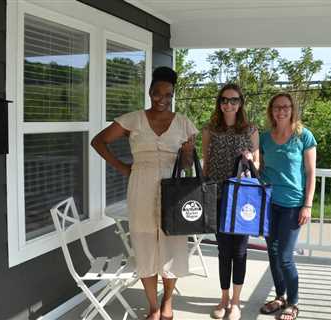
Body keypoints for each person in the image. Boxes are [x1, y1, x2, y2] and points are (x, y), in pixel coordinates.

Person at [91, 66, 197, 320]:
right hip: (141, 185)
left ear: (173, 95)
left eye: (168, 94)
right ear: (150, 92)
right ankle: (153, 306)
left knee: (171, 243)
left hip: (173, 190)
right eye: (157, 93)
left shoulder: (183, 123)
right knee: (145, 243)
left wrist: (186, 153)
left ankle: (168, 301)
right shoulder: (133, 119)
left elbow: (187, 166)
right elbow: (98, 141)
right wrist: (122, 167)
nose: (162, 99)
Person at [202, 83, 260, 320]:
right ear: (219, 103)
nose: (229, 104)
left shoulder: (250, 129)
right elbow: (206, 163)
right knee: (223, 251)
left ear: (240, 103)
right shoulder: (209, 130)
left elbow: (257, 166)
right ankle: (223, 298)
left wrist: (249, 159)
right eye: (224, 100)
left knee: (240, 251)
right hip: (216, 196)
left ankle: (236, 302)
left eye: (234, 100)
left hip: (241, 199)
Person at [258, 93, 317, 320]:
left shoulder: (304, 136)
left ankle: (293, 302)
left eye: (285, 107)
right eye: (276, 107)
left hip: (293, 204)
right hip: (269, 203)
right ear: (271, 111)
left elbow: (311, 173)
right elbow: (259, 166)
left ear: (292, 109)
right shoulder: (264, 138)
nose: (280, 111)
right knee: (272, 254)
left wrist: (308, 205)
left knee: (285, 256)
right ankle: (280, 296)